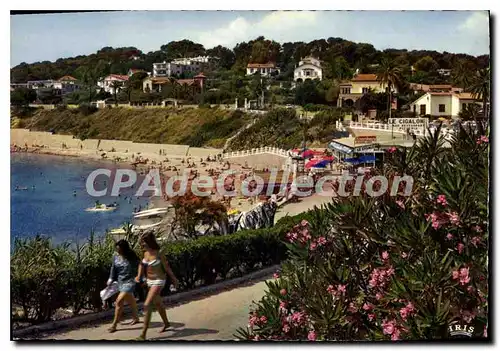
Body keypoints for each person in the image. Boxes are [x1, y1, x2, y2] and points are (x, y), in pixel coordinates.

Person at [135, 232, 179, 340]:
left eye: (143, 242)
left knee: (147, 304)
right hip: (150, 281)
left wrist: (174, 279)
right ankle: (167, 323)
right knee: (158, 303)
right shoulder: (145, 253)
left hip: (159, 280)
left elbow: (167, 268)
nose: (142, 244)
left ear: (149, 242)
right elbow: (141, 264)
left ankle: (143, 334)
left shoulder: (159, 254)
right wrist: (139, 276)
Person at [107, 240, 140, 333]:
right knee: (131, 300)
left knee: (119, 301)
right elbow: (113, 268)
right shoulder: (115, 256)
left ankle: (114, 325)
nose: (118, 251)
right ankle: (136, 318)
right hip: (121, 281)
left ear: (124, 249)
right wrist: (111, 278)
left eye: (119, 249)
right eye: (117, 249)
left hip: (130, 281)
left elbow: (140, 265)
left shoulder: (131, 256)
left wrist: (140, 277)